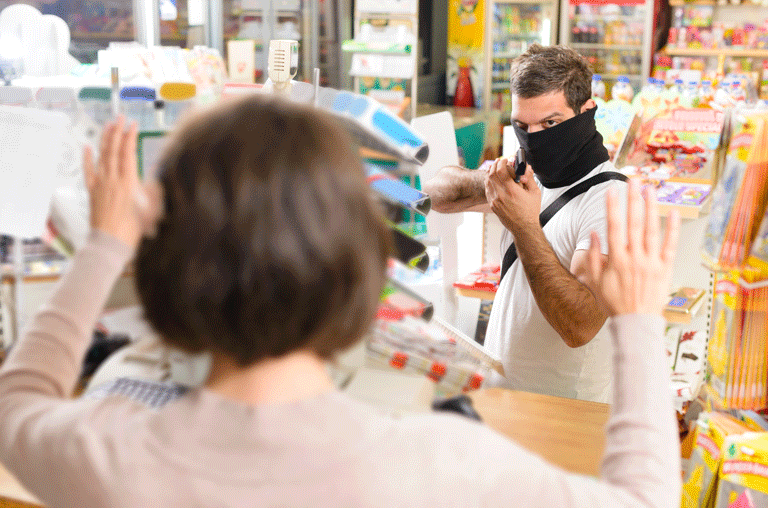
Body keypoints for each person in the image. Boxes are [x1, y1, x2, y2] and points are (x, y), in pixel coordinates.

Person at [0, 95, 681, 507]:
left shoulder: (112, 455)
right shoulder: (440, 464)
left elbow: (18, 400)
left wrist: (104, 246)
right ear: (361, 273)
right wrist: (638, 320)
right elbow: (644, 499)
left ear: (160, 279)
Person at [424, 44, 627, 403]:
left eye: (550, 123)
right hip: (505, 399)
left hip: (564, 413)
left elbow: (580, 326)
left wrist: (523, 225)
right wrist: (490, 182)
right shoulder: (530, 175)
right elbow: (435, 195)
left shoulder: (611, 199)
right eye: (522, 125)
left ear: (586, 112)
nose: (534, 139)